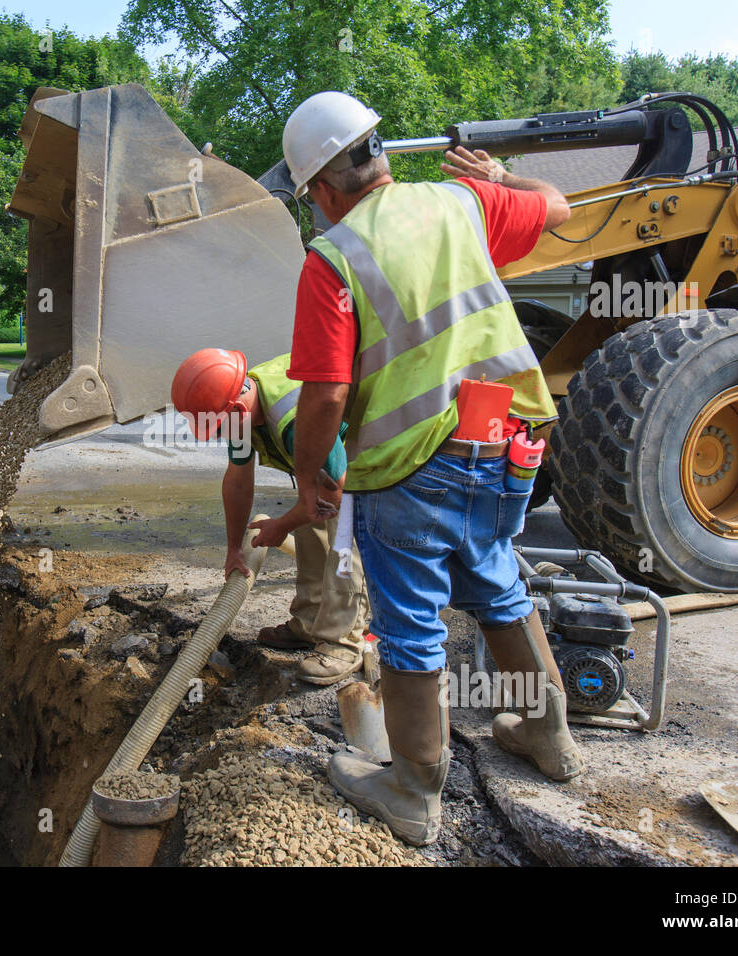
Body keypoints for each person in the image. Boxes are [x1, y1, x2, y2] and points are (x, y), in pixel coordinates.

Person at [276, 90, 584, 846]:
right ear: (377, 151)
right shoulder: (462, 202)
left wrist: (313, 475)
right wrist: (503, 177)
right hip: (507, 445)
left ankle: (413, 786)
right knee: (497, 580)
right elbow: (560, 207)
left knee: (411, 624)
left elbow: (325, 392)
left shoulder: (333, 257)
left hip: (415, 463)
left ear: (318, 189)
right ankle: (550, 737)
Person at [171, 348, 370, 685]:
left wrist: (281, 526)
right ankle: (310, 622)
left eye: (219, 427)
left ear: (234, 409)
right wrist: (234, 549)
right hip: (325, 462)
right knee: (310, 525)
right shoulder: (244, 398)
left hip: (367, 443)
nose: (221, 434)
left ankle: (344, 642)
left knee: (341, 535)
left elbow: (333, 492)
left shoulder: (296, 419)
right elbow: (237, 478)